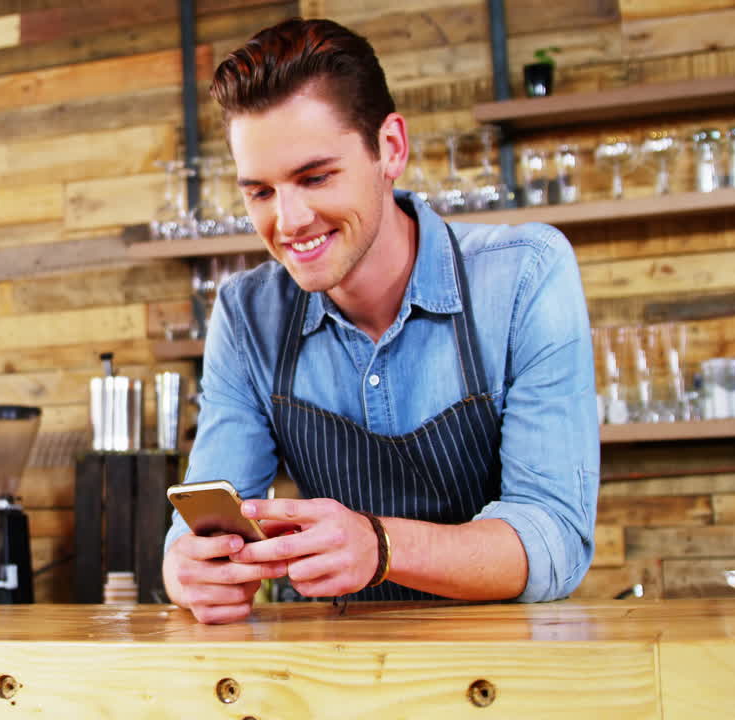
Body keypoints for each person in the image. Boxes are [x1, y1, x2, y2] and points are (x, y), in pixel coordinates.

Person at [162, 17, 599, 625]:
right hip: (329, 673)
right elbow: (194, 533)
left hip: (503, 676)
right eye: (259, 192)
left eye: (315, 177)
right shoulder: (246, 314)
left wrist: (381, 546)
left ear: (390, 148)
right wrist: (186, 572)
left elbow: (555, 539)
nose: (288, 221)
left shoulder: (525, 275)